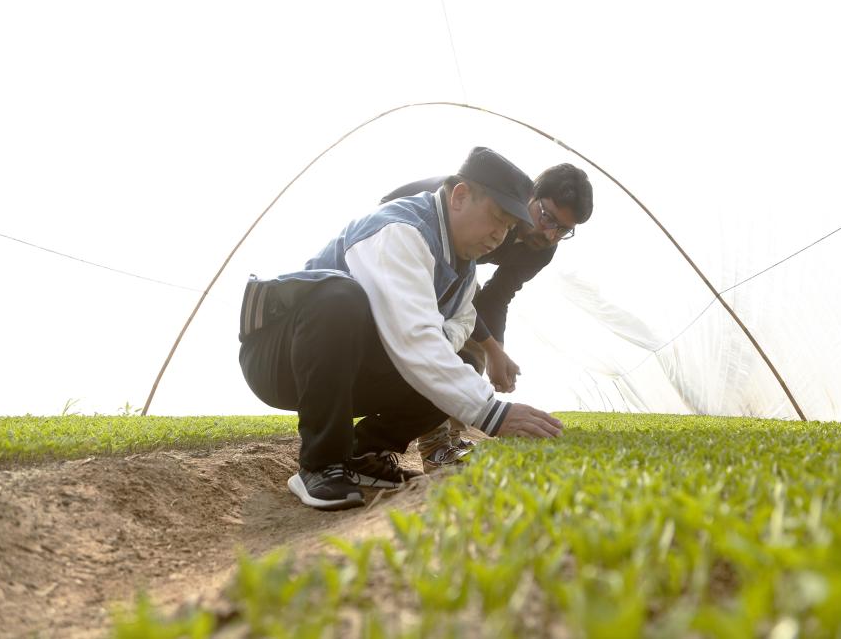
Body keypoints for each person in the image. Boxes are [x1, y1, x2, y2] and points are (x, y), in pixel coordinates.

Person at [238, 147, 564, 511]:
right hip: (277, 357)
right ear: (459, 196)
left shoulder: (464, 272)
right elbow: (413, 337)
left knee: (460, 363)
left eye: (507, 227)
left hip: (348, 367)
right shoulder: (401, 229)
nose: (499, 236)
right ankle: (320, 463)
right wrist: (494, 413)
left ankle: (363, 455)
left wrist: (442, 351)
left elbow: (455, 327)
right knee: (340, 298)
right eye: (496, 218)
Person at [381, 162, 593, 470]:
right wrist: (491, 349)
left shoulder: (542, 249)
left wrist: (497, 352)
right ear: (530, 195)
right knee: (442, 337)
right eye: (547, 217)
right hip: (405, 240)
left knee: (474, 349)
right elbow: (459, 284)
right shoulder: (486, 204)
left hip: (455, 268)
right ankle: (431, 440)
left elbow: (497, 296)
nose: (549, 235)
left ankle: (444, 434)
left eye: (563, 230)